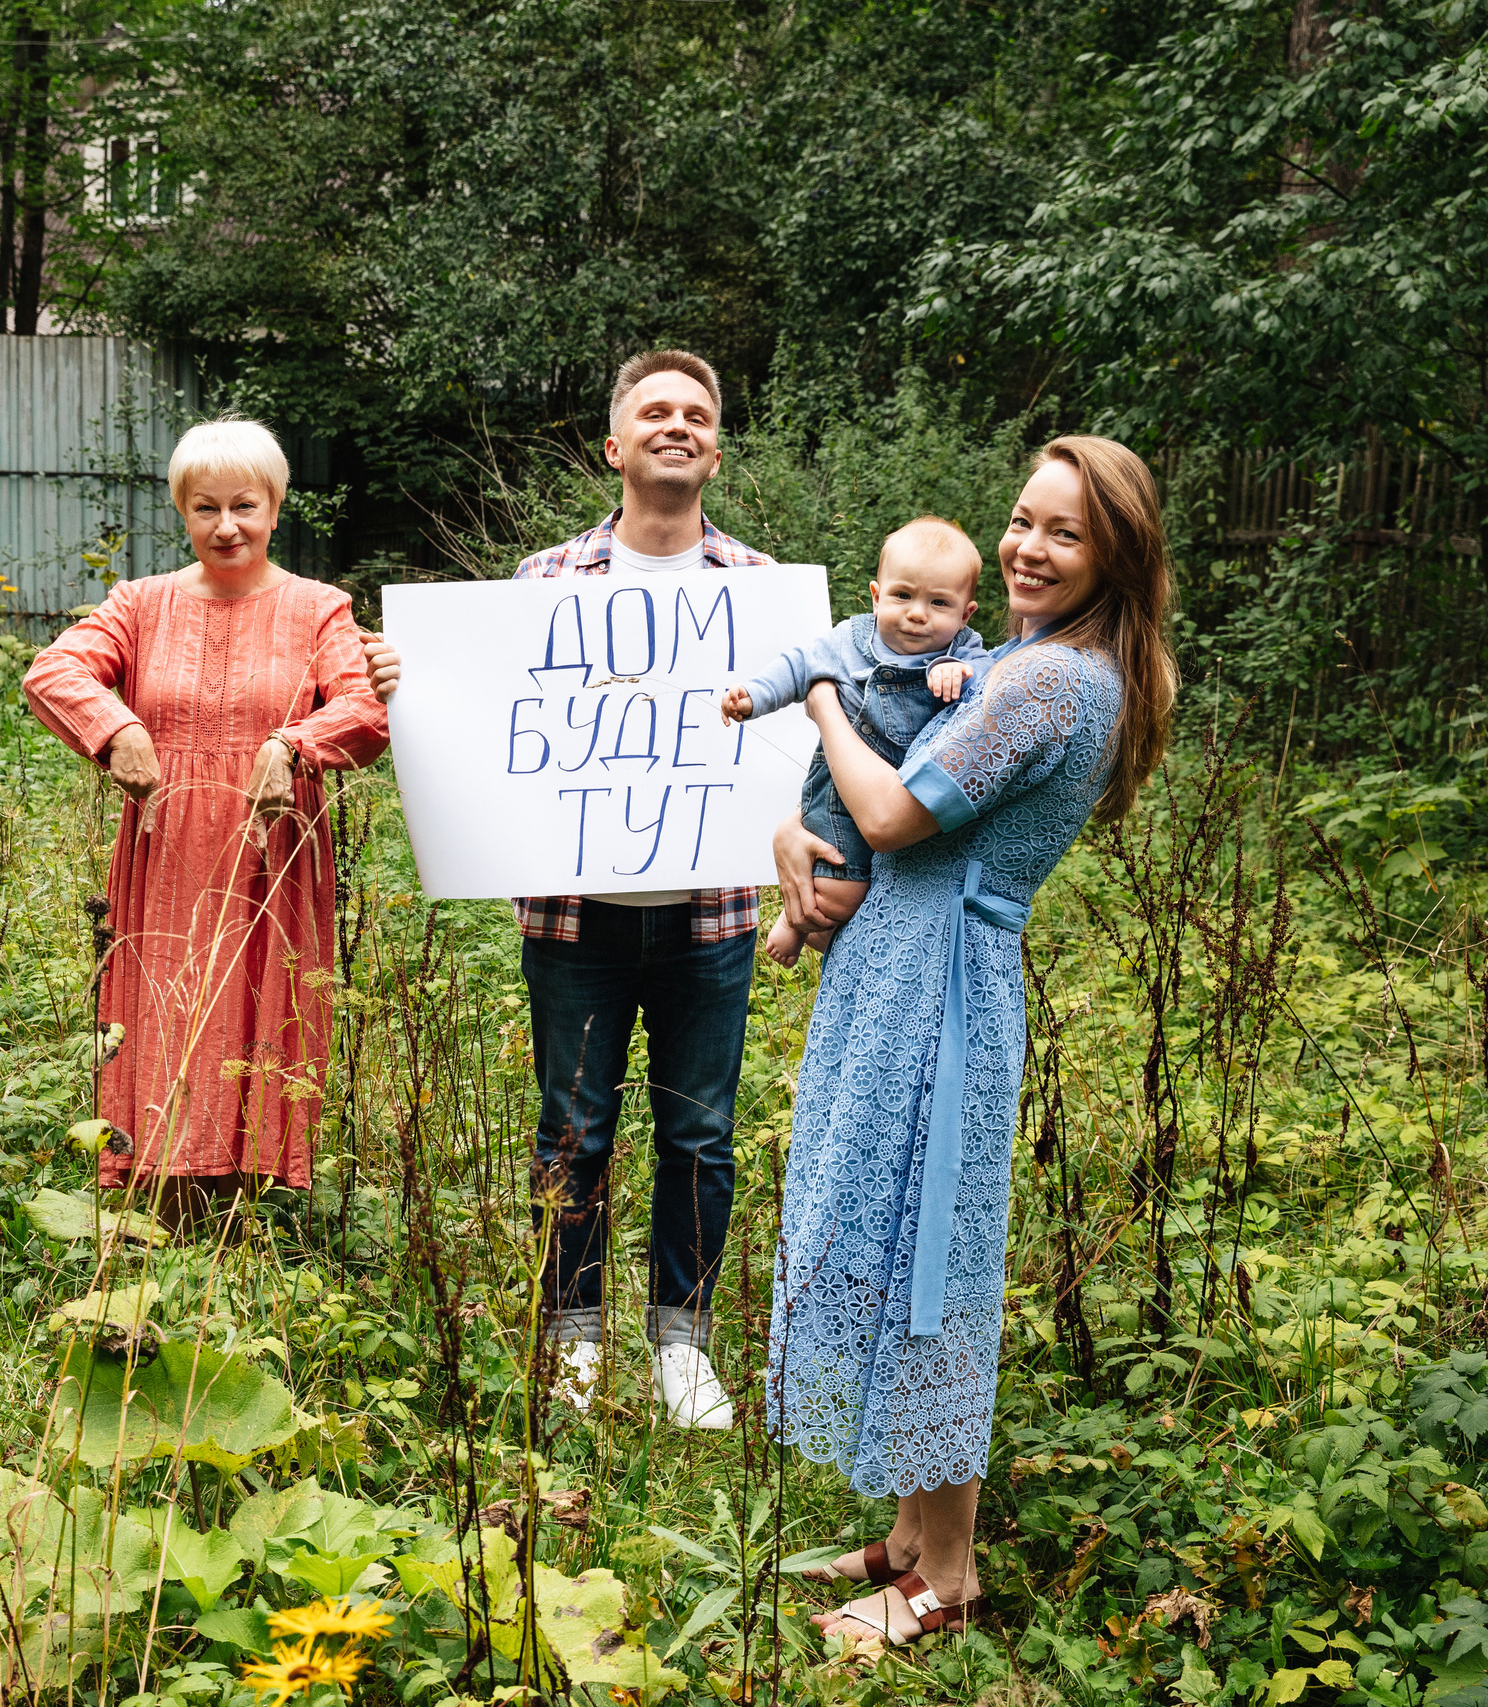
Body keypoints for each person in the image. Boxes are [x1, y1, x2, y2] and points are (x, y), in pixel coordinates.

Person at [766, 436, 1177, 1646]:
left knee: (926, 1265)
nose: (1026, 549)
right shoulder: (1016, 658)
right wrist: (794, 841)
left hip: (938, 990)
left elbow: (890, 811)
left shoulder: (1049, 683)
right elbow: (876, 806)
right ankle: (904, 1542)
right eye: (1021, 519)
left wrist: (826, 690)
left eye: (1064, 533)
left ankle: (946, 1581)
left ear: (1113, 555)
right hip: (901, 967)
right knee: (898, 1240)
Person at [362, 350, 778, 1430]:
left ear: (716, 450)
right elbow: (484, 717)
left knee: (700, 1134)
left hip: (710, 919)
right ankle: (573, 1340)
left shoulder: (762, 592)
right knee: (572, 1132)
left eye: (695, 412)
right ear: (615, 444)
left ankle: (681, 1348)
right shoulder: (542, 584)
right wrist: (410, 684)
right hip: (573, 920)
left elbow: (796, 749)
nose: (675, 424)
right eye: (654, 410)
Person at [22, 417, 388, 1226]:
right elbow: (53, 669)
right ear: (182, 513)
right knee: (163, 1006)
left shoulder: (320, 609)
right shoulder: (140, 604)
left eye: (245, 506)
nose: (227, 526)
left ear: (275, 508)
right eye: (206, 508)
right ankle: (163, 1199)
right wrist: (116, 727)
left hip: (272, 856)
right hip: (167, 853)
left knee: (263, 1005)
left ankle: (252, 1209)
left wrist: (297, 743)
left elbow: (366, 710)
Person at [721, 516, 997, 963]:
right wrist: (753, 697)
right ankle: (795, 921)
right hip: (839, 789)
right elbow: (798, 667)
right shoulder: (849, 640)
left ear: (965, 613)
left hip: (906, 798)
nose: (916, 613)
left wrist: (959, 673)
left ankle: (821, 930)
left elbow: (988, 686)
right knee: (840, 893)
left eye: (939, 602)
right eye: (902, 595)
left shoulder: (962, 652)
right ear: (876, 595)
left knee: (882, 887)